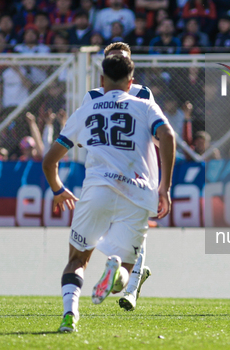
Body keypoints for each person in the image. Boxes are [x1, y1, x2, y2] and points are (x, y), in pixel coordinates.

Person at [43, 54, 175, 333]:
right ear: (131, 83)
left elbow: (49, 161)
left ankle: (70, 316)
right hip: (138, 194)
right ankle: (117, 272)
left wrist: (58, 189)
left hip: (97, 190)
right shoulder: (144, 105)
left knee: (77, 260)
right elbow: (169, 136)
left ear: (101, 81)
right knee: (127, 268)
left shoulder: (86, 109)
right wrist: (165, 186)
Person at [80, 42, 156, 312]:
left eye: (121, 59)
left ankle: (132, 289)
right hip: (102, 177)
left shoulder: (143, 94)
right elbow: (84, 136)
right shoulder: (92, 97)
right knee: (109, 241)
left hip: (136, 177)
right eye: (112, 59)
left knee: (136, 235)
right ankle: (130, 277)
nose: (117, 64)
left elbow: (156, 134)